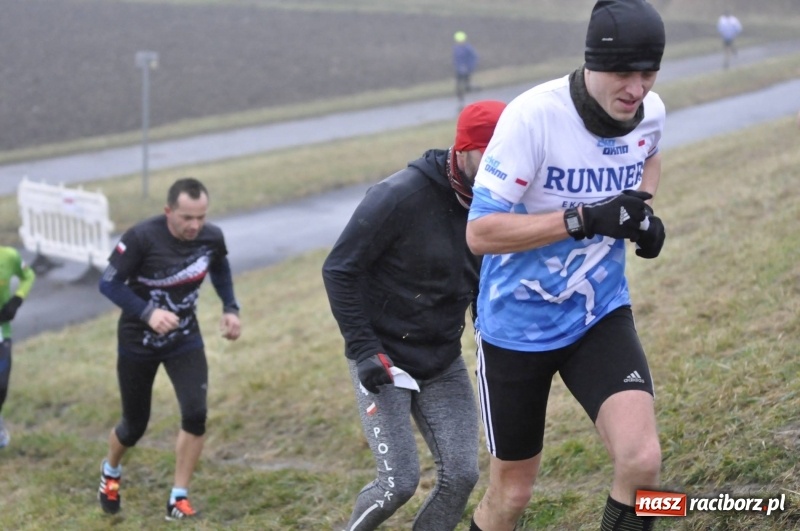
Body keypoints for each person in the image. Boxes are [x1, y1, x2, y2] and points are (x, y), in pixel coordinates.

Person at [465, 1, 667, 530]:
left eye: (648, 73)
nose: (636, 88)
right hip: (515, 329)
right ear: (593, 63)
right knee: (512, 493)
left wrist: (640, 209)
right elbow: (480, 233)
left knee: (642, 462)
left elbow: (649, 151)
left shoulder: (651, 113)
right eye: (624, 72)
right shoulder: (533, 117)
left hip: (597, 315)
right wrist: (584, 219)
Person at [322, 100, 506, 531]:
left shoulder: (497, 199)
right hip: (383, 359)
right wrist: (365, 350)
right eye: (491, 155)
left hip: (441, 360)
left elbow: (482, 276)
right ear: (463, 149)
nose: (502, 166)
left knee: (462, 476)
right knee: (397, 484)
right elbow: (339, 269)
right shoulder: (398, 196)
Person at [96, 177, 241, 520]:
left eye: (201, 217)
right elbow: (108, 283)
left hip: (184, 339)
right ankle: (111, 471)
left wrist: (230, 308)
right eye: (187, 218)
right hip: (138, 342)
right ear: (168, 211)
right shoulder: (142, 237)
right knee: (134, 426)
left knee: (195, 413)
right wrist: (148, 313)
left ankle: (178, 497)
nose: (195, 225)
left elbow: (219, 267)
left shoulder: (211, 237)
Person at [0, 246, 36, 449]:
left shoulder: (8, 256)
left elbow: (28, 275)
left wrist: (17, 299)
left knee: (1, 386)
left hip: (1, 331)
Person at [453, 31, 479, 110]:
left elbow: (474, 57)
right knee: (458, 87)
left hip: (466, 71)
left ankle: (473, 102)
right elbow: (456, 59)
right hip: (459, 71)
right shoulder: (455, 48)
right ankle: (461, 102)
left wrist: (469, 67)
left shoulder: (467, 48)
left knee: (467, 87)